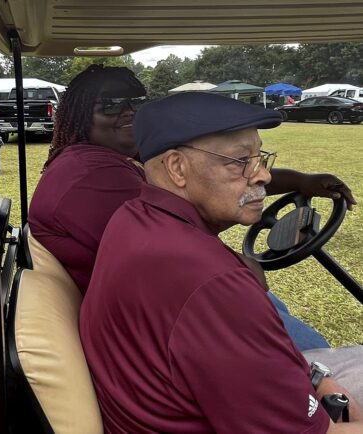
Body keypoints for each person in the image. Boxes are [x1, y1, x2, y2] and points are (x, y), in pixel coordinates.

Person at [79, 92, 363, 433]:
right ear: (177, 168)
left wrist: (316, 379)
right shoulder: (211, 282)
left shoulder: (133, 217)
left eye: (261, 158)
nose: (263, 176)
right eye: (241, 161)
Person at [28, 64, 355, 351]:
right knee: (315, 351)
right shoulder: (92, 176)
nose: (128, 112)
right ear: (79, 112)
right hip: (156, 327)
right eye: (111, 105)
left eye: (137, 102)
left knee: (274, 306)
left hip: (162, 309)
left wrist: (298, 180)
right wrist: (239, 265)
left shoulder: (102, 160)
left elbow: (211, 184)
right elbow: (175, 236)